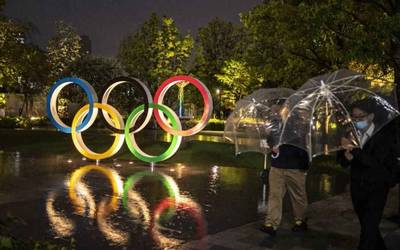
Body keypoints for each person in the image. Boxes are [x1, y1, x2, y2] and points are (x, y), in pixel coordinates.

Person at [337, 99, 397, 250]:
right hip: (357, 188)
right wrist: (346, 156)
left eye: (360, 117)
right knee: (368, 226)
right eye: (354, 117)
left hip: (377, 187)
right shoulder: (351, 133)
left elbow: (374, 163)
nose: (357, 120)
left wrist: (355, 150)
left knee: (368, 230)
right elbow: (342, 162)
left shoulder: (383, 135)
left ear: (371, 116)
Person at [260, 104, 310, 236]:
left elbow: (301, 142)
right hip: (277, 165)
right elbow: (270, 142)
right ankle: (271, 223)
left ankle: (300, 220)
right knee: (275, 194)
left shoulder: (298, 123)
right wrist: (270, 139)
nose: (275, 111)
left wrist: (304, 166)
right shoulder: (274, 123)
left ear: (286, 108)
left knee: (298, 195)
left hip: (295, 166)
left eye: (278, 109)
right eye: (273, 109)